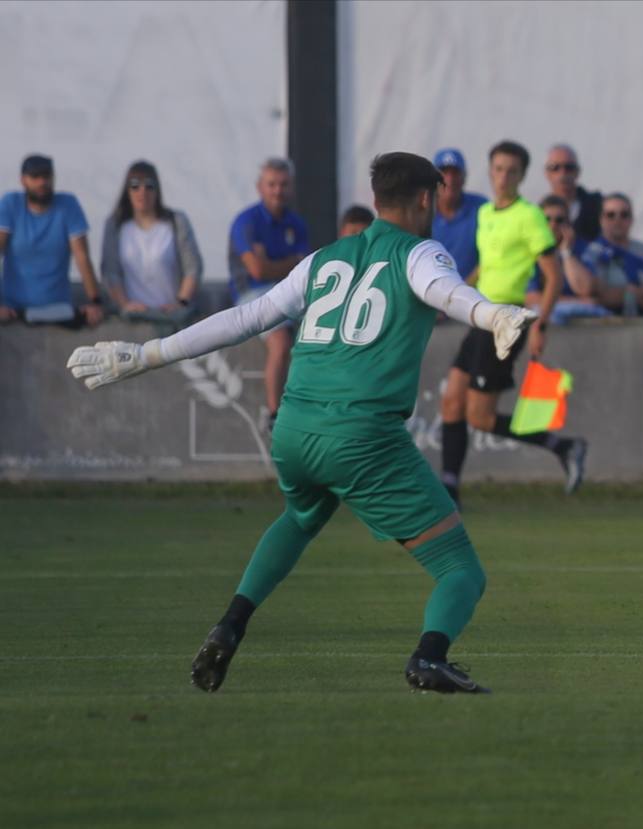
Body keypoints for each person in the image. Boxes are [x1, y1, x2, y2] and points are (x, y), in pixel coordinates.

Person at [66, 152, 539, 693]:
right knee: (461, 569)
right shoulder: (421, 251)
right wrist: (493, 313)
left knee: (300, 516)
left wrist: (148, 354)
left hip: (293, 429)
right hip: (361, 436)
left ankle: (230, 625)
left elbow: (245, 317)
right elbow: (444, 291)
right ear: (426, 199)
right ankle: (429, 658)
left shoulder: (324, 258)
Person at [439, 141, 589, 505]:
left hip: (506, 321)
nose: (503, 176)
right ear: (489, 172)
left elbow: (552, 277)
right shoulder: (487, 213)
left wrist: (541, 325)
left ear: (522, 176)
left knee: (481, 418)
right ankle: (448, 491)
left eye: (511, 170)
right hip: (480, 317)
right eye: (498, 169)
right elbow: (486, 268)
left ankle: (563, 446)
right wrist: (453, 292)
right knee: (451, 403)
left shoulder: (529, 217)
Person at [229, 157, 310, 429]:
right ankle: (275, 414)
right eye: (272, 184)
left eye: (284, 185)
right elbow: (257, 272)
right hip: (251, 294)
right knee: (279, 339)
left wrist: (272, 265)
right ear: (259, 187)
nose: (278, 191)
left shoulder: (296, 223)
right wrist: (289, 263)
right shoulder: (246, 221)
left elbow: (304, 268)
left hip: (288, 290)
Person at [0, 154, 103, 327]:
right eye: (35, 177)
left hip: (58, 310)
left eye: (46, 176)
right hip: (13, 309)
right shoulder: (11, 204)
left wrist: (95, 301)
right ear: (23, 180)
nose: (42, 182)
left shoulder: (68, 205)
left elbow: (81, 256)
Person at [100, 161, 203, 327]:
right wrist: (125, 304)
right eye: (135, 186)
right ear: (127, 190)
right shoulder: (115, 226)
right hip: (133, 320)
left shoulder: (175, 222)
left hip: (171, 318)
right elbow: (110, 272)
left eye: (149, 185)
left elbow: (193, 267)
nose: (142, 192)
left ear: (157, 189)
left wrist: (181, 302)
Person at [581, 193, 643, 316]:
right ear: (601, 220)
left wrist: (634, 294)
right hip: (604, 322)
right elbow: (593, 295)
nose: (617, 220)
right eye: (610, 215)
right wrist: (631, 294)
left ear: (631, 219)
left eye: (624, 215)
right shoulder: (591, 253)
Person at [526, 195, 598, 311]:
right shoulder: (529, 250)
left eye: (559, 220)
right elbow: (530, 297)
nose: (553, 225)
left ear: (568, 224)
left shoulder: (582, 249)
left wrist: (566, 252)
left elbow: (585, 289)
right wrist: (576, 301)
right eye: (547, 219)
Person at [431, 147, 486, 280]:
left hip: (473, 294)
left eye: (455, 173)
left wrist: (464, 289)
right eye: (444, 173)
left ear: (464, 177)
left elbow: (491, 256)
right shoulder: (420, 211)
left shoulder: (480, 208)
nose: (450, 179)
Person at [543, 144, 602, 242]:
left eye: (569, 167)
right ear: (547, 173)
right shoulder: (538, 212)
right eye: (555, 167)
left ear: (578, 171)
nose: (562, 173)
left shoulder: (599, 206)